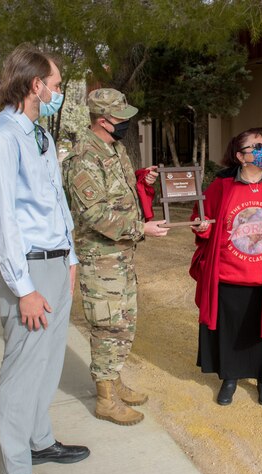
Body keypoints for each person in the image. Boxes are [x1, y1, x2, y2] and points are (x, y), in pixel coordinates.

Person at [0, 43, 89, 474]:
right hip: (29, 269)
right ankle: (15, 470)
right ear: (35, 84)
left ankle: (41, 440)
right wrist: (24, 289)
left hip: (56, 262)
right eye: (56, 85)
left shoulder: (39, 135)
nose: (59, 92)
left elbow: (55, 201)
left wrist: (72, 257)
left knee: (47, 362)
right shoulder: (0, 137)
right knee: (23, 369)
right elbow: (1, 221)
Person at [62, 88, 168, 426]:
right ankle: (105, 399)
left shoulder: (114, 147)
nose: (126, 122)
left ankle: (114, 380)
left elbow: (118, 194)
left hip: (119, 255)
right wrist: (141, 229)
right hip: (100, 257)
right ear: (103, 120)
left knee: (123, 322)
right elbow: (94, 213)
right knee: (107, 325)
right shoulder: (84, 158)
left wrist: (143, 181)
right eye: (121, 117)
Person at [189, 127, 262, 406]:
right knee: (231, 331)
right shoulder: (222, 185)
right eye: (256, 147)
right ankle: (230, 378)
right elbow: (202, 221)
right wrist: (201, 227)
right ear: (240, 156)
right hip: (229, 275)